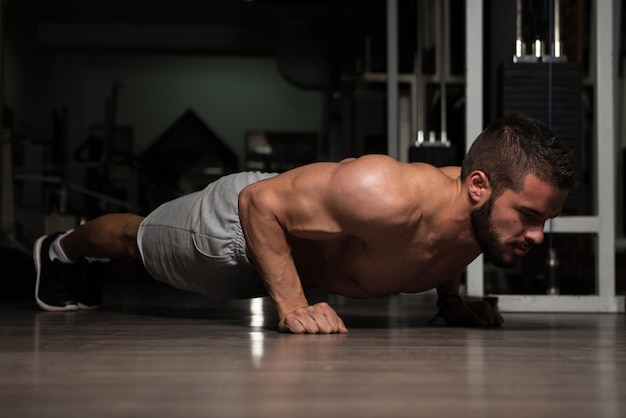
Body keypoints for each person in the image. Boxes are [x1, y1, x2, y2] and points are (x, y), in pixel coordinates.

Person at [33, 114, 575, 334]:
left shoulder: (483, 219)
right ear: (478, 187)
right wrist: (291, 307)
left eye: (545, 220)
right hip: (241, 231)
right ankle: (59, 250)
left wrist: (449, 301)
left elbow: (443, 242)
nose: (536, 235)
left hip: (295, 263)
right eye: (529, 217)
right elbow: (258, 203)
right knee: (137, 241)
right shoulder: (384, 192)